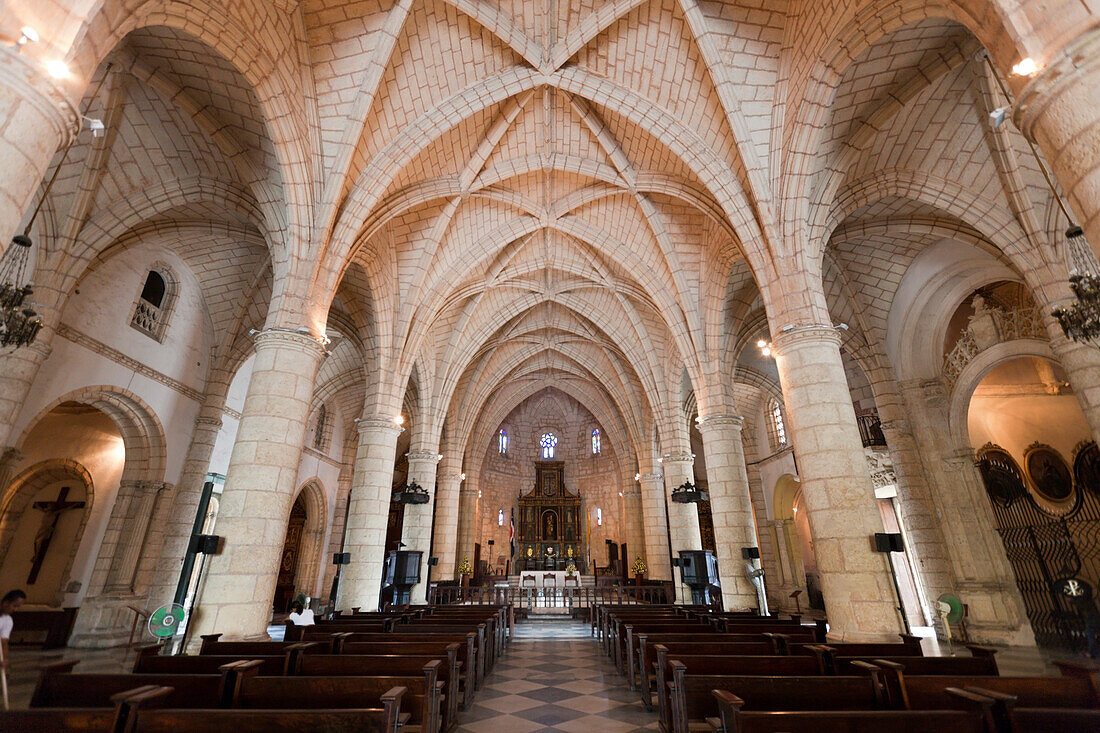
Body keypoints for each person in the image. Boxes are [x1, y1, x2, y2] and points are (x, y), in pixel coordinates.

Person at [0, 590, 26, 668]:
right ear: (6, 603)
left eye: (18, 607)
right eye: (14, 606)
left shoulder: (8, 620)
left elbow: (4, 641)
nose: (15, 610)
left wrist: (5, 658)